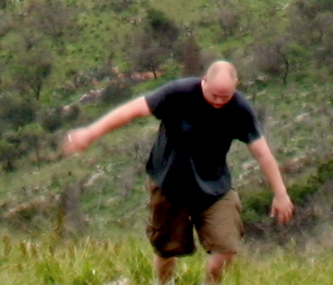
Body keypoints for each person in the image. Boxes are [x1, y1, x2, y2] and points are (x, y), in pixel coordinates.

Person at [60, 58, 294, 285]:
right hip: (170, 183)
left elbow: (262, 152)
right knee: (167, 250)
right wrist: (91, 133)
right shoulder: (177, 94)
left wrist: (280, 193)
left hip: (214, 186)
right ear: (204, 81)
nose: (219, 102)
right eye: (214, 95)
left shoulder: (240, 109)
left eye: (226, 96)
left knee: (226, 248)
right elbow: (131, 111)